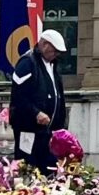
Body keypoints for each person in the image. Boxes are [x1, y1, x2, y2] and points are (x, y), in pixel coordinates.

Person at [8, 28, 69, 170]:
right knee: (28, 166)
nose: (56, 54)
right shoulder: (27, 63)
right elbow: (18, 96)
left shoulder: (52, 65)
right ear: (45, 45)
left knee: (48, 167)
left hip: (48, 131)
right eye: (54, 50)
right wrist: (35, 113)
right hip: (28, 129)